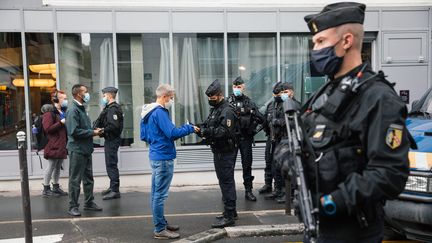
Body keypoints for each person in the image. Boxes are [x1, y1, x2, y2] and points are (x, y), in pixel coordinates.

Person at [300, 2, 411, 242]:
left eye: (321, 42)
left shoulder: (378, 98)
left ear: (347, 41)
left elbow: (390, 173)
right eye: (314, 44)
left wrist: (333, 202)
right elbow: (301, 139)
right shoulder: (324, 94)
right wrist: (287, 156)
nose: (315, 50)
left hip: (356, 232)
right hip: (320, 228)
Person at [140, 83, 198, 240]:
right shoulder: (159, 113)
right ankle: (160, 229)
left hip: (155, 155)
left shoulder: (147, 111)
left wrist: (156, 140)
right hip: (164, 157)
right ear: (164, 96)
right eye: (171, 98)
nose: (172, 101)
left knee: (155, 193)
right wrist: (189, 128)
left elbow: (143, 136)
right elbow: (172, 133)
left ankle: (161, 223)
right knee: (160, 195)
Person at [197, 79, 238, 228]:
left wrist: (206, 132)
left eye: (212, 97)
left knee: (226, 182)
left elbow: (224, 132)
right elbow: (209, 124)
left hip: (225, 152)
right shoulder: (216, 109)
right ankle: (231, 212)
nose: (210, 100)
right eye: (208, 97)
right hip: (219, 151)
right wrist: (199, 128)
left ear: (220, 95)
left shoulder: (227, 110)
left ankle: (229, 216)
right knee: (225, 182)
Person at [66, 84, 103, 217]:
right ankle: (73, 206)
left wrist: (94, 131)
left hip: (86, 149)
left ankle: (89, 202)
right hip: (77, 150)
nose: (87, 94)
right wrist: (93, 133)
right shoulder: (73, 110)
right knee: (75, 179)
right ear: (78, 94)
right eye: (85, 92)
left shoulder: (81, 109)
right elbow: (74, 131)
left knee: (88, 178)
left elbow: (83, 128)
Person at [227, 76, 265, 202]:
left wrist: (253, 131)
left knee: (247, 165)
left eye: (239, 87)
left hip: (245, 138)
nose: (236, 89)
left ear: (243, 87)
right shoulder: (228, 102)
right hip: (232, 139)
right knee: (229, 166)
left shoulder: (249, 102)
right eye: (234, 86)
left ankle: (248, 191)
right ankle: (228, 193)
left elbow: (261, 119)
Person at [259, 82, 291, 203]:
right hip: (271, 138)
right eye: (275, 93)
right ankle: (274, 188)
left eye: (279, 93)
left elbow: (287, 121)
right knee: (270, 162)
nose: (277, 95)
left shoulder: (287, 104)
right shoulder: (271, 105)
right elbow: (266, 121)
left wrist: (277, 122)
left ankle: (283, 191)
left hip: (282, 139)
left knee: (281, 165)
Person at [94, 87, 124, 200]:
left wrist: (101, 131)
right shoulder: (111, 108)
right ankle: (112, 187)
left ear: (109, 96)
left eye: (104, 96)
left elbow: (113, 126)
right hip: (110, 139)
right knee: (110, 163)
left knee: (111, 164)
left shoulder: (113, 109)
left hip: (112, 139)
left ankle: (115, 190)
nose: (103, 98)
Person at [41, 90, 68, 197]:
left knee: (58, 167)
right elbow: (47, 129)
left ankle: (55, 187)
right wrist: (60, 123)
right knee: (51, 166)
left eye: (66, 98)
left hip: (62, 144)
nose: (65, 100)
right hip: (53, 144)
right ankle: (46, 189)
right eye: (63, 98)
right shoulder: (49, 113)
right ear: (55, 99)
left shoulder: (63, 112)